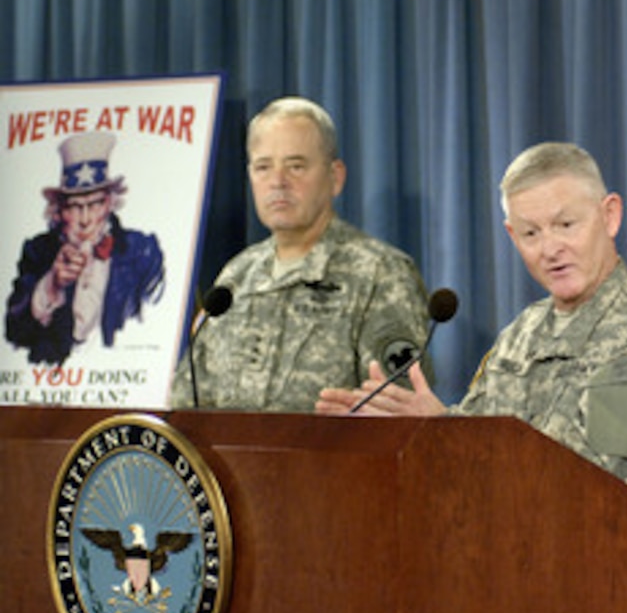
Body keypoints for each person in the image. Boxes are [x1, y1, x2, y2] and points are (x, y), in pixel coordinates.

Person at [318, 141, 627, 522]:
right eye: (531, 233)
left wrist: (448, 435)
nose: (550, 249)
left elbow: (595, 480)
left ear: (610, 216)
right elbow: (482, 433)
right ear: (512, 236)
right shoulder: (523, 332)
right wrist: (428, 430)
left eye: (566, 224)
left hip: (618, 579)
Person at [170, 96, 431, 413]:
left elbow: (398, 411)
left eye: (296, 166)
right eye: (263, 167)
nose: (277, 182)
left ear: (335, 177)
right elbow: (187, 402)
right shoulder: (236, 276)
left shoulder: (379, 273)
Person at [6, 131, 165, 365]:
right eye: (75, 207)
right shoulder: (37, 251)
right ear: (59, 211)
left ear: (110, 203)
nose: (86, 219)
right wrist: (52, 285)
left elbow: (157, 333)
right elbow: (13, 333)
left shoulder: (141, 251)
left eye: (95, 204)